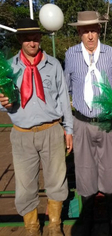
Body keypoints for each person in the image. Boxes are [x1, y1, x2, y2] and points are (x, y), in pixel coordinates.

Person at [0, 19, 73, 236]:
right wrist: (3, 103)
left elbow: (63, 99)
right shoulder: (9, 67)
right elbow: (3, 100)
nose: (32, 42)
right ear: (20, 40)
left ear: (40, 38)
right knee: (24, 184)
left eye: (35, 37)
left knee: (56, 181)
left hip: (51, 130)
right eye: (27, 38)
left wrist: (68, 130)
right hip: (21, 135)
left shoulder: (53, 65)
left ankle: (54, 225)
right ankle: (32, 227)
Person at [64, 11, 112, 236]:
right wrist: (69, 126)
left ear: (99, 30)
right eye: (85, 30)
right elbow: (67, 89)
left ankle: (111, 221)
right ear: (79, 31)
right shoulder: (71, 55)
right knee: (85, 173)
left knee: (110, 172)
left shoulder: (111, 54)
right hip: (82, 123)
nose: (89, 35)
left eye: (93, 29)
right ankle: (86, 222)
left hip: (107, 123)